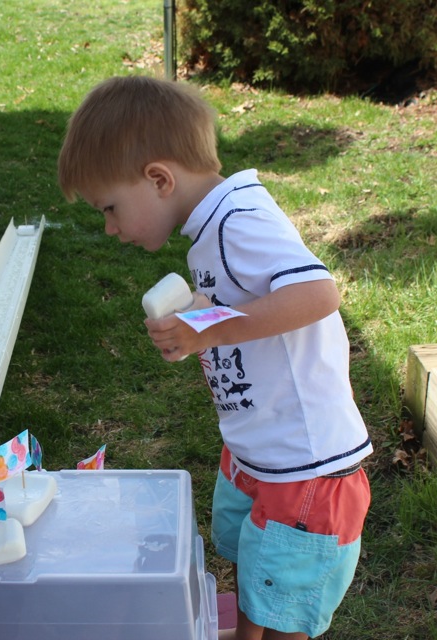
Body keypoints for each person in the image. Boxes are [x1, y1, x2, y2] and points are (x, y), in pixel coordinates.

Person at [57, 75, 372, 640]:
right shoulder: (215, 223)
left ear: (159, 179)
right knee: (258, 577)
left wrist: (210, 333)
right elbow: (239, 300)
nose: (109, 229)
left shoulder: (236, 223)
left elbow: (319, 294)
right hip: (261, 449)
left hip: (304, 466)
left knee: (283, 612)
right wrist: (197, 321)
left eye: (110, 208)